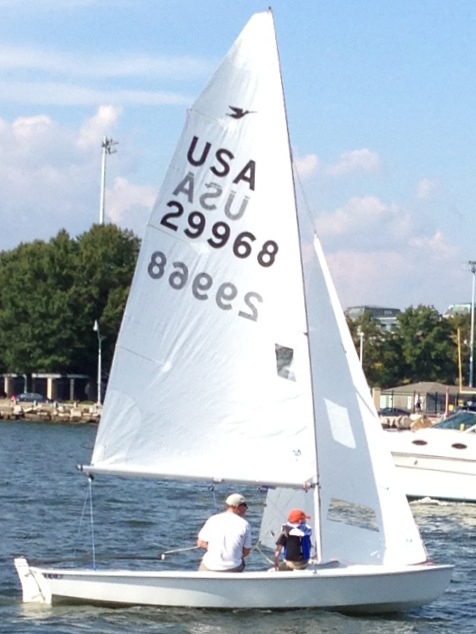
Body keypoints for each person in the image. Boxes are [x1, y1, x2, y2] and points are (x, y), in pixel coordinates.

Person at [197, 493, 252, 572]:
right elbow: (246, 552)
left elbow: (200, 543)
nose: (247, 508)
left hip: (209, 566)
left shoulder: (213, 519)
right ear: (238, 507)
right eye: (245, 505)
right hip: (233, 567)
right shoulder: (245, 525)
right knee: (241, 562)